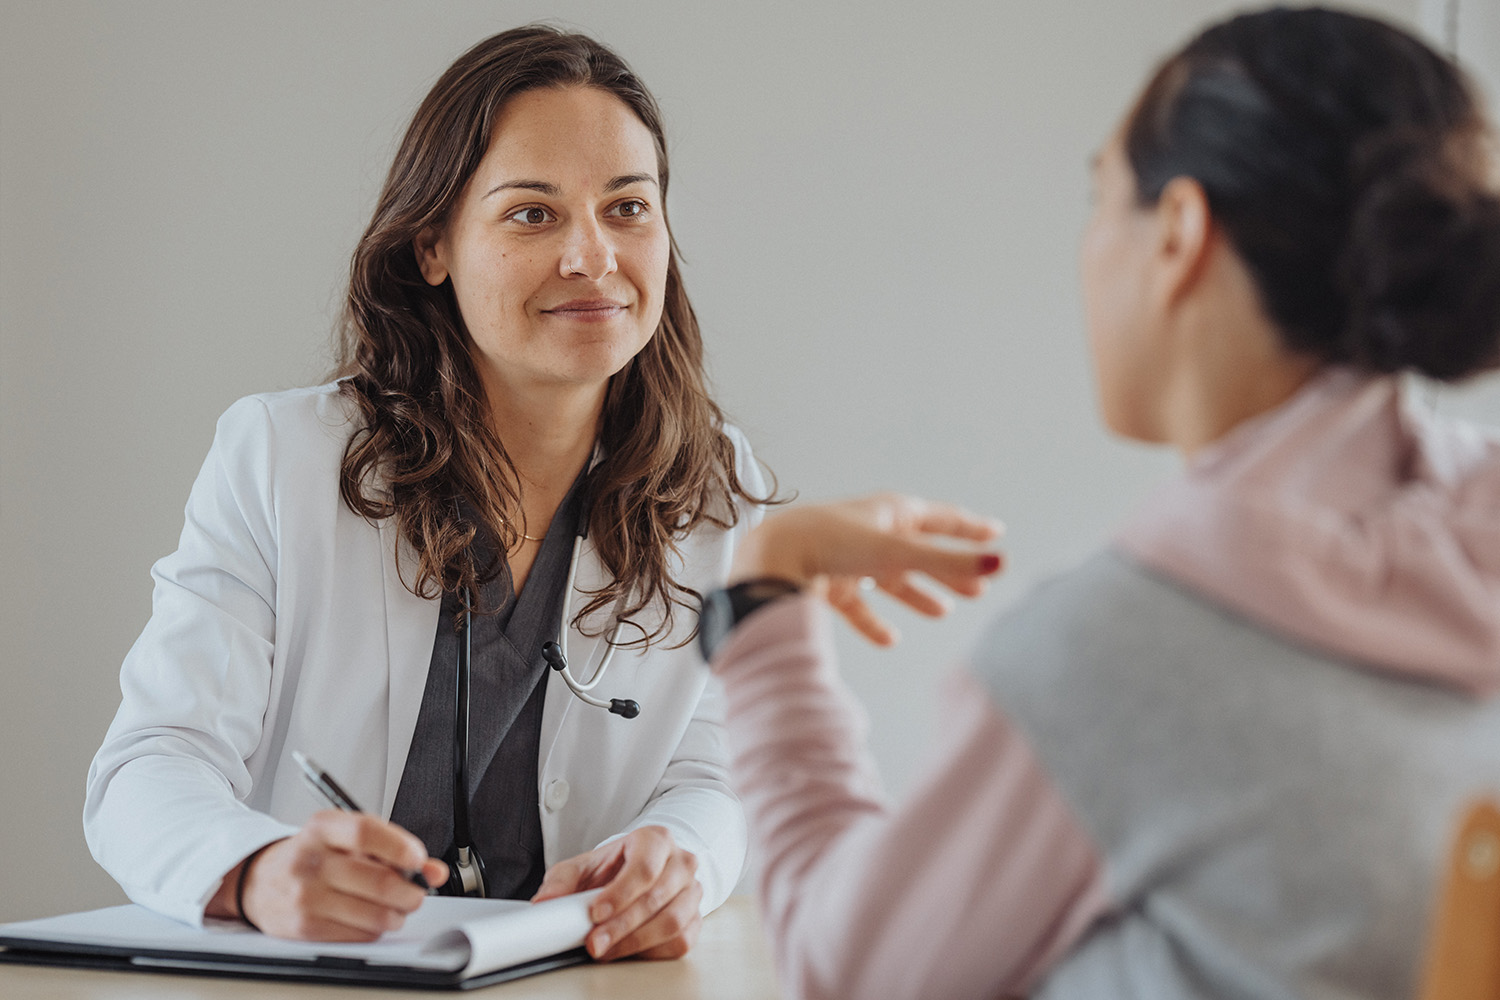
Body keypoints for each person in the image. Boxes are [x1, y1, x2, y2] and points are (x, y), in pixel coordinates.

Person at [700, 8, 1500, 997]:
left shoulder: (1132, 648)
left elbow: (848, 966)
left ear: (1179, 234)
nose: (1087, 248)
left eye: (1101, 197)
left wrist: (763, 599)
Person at [84, 26, 774, 961]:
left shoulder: (718, 493)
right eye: (533, 214)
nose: (592, 256)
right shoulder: (282, 458)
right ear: (434, 246)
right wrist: (255, 872)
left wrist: (680, 853)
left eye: (627, 208)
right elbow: (148, 767)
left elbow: (720, 768)